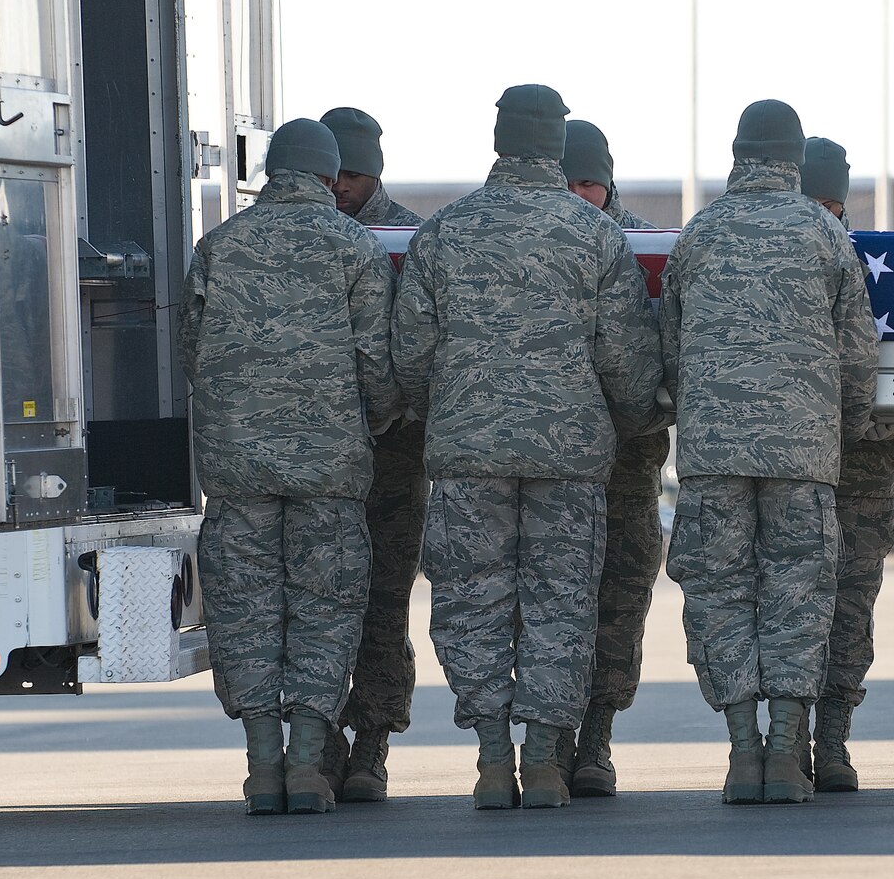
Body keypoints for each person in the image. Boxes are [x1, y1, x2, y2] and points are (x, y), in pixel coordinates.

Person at [392, 85, 663, 810]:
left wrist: (448, 413)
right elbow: (627, 361)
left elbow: (409, 356)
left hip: (467, 455)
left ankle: (491, 758)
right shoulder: (596, 236)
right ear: (556, 143)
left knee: (472, 602)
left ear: (500, 141)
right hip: (569, 460)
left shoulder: (444, 233)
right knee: (561, 605)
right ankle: (544, 760)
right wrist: (625, 420)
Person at [662, 101, 878, 805]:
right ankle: (786, 751)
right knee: (797, 593)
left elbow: (670, 346)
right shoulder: (824, 233)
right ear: (794, 158)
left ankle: (742, 750)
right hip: (802, 454)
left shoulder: (699, 233)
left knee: (720, 591)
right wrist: (843, 428)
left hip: (712, 453)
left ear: (738, 154)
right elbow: (856, 353)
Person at [180, 118, 398, 815]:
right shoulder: (355, 247)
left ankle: (261, 767)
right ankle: (308, 763)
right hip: (330, 473)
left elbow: (193, 353)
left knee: (245, 613)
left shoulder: (218, 247)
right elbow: (379, 367)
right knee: (325, 611)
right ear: (330, 176)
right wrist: (362, 427)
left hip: (237, 472)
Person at [559, 118, 672, 797]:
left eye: (590, 184)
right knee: (548, 606)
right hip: (553, 469)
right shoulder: (536, 241)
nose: (580, 197)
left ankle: (596, 738)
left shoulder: (648, 249)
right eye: (567, 182)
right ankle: (547, 741)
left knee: (620, 603)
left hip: (627, 468)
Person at [318, 106, 425, 802]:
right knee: (319, 604)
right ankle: (320, 737)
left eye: (354, 176)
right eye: (334, 174)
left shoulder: (412, 240)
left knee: (383, 604)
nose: (341, 188)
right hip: (322, 456)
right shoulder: (307, 237)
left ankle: (372, 743)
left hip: (392, 458)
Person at [799, 135, 894, 792]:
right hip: (793, 468)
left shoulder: (878, 267)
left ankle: (832, 738)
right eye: (812, 202)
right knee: (786, 609)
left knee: (849, 610)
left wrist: (871, 423)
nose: (822, 216)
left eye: (831, 205)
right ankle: (786, 740)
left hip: (862, 470)